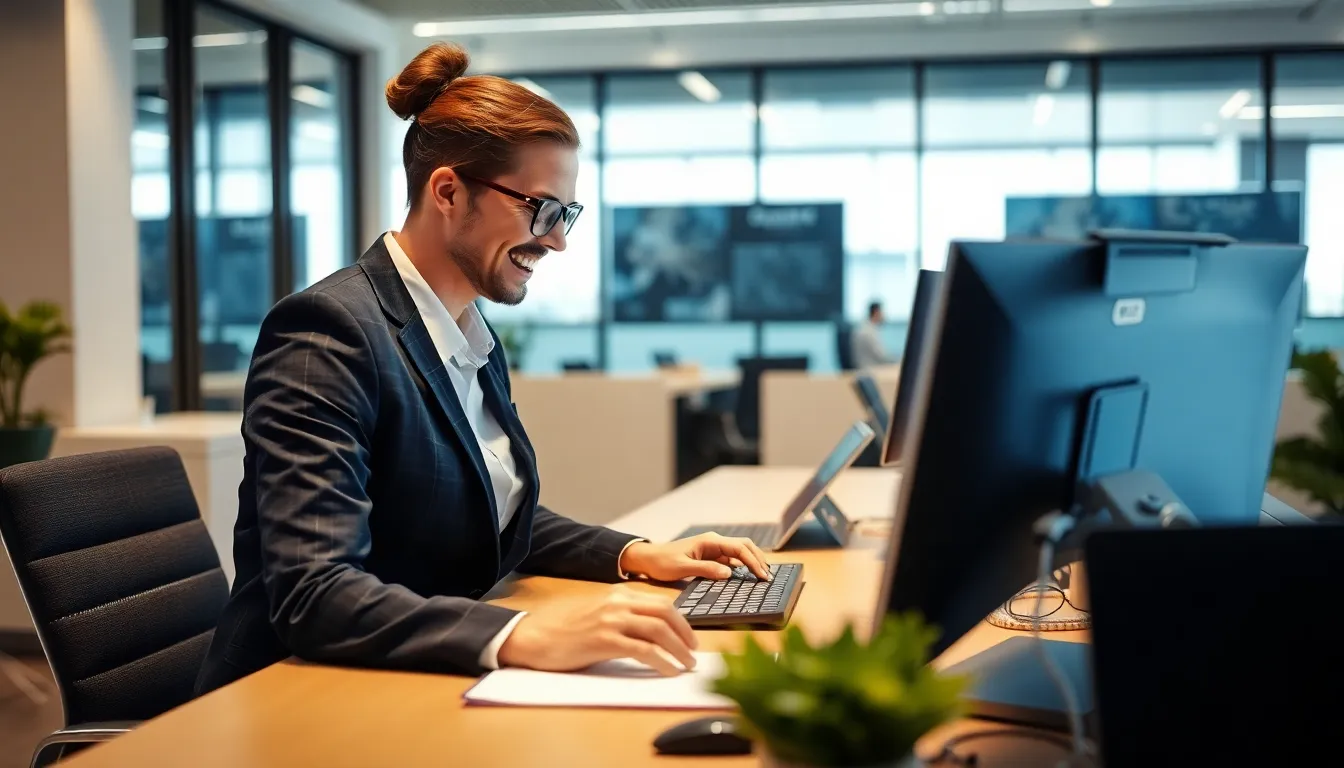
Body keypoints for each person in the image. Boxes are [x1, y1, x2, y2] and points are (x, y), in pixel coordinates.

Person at [195, 42, 771, 695]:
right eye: (542, 209)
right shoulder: (326, 334)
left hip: (414, 679)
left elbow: (493, 510)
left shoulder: (466, 329)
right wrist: (523, 635)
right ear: (447, 190)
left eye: (566, 214)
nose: (557, 240)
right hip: (296, 696)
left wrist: (634, 554)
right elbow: (315, 594)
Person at [851, 301, 896, 369]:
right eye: (883, 313)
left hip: (870, 368)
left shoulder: (866, 328)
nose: (884, 316)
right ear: (876, 312)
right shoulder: (867, 332)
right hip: (870, 370)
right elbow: (881, 356)